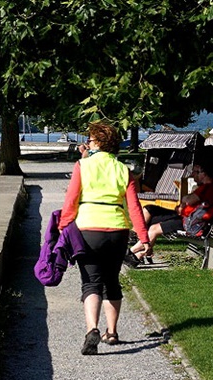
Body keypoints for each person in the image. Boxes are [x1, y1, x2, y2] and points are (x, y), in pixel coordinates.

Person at [56, 121, 150, 355]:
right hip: (117, 231)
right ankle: (112, 331)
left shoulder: (82, 166)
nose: (88, 142)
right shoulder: (123, 170)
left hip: (88, 229)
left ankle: (92, 330)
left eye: (91, 138)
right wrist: (144, 237)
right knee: (112, 281)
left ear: (97, 142)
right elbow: (134, 207)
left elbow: (71, 200)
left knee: (91, 283)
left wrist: (63, 227)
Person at [141, 162, 213, 249]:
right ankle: (137, 239)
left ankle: (134, 253)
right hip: (184, 217)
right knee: (149, 209)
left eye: (194, 172)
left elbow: (188, 201)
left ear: (203, 173)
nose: (192, 175)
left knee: (153, 228)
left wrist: (185, 200)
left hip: (187, 222)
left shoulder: (208, 188)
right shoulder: (206, 187)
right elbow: (188, 201)